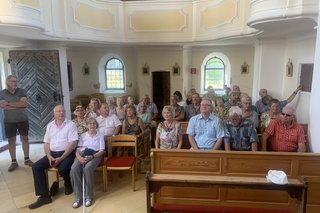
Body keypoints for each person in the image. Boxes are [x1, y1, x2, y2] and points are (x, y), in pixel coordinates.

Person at [29, 105, 78, 209]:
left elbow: (72, 143)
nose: (61, 113)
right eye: (58, 111)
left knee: (63, 168)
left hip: (67, 153)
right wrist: (49, 156)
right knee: (36, 167)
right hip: (52, 154)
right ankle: (44, 196)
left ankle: (68, 183)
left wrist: (61, 158)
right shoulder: (50, 125)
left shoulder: (71, 125)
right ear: (54, 114)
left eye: (63, 111)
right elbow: (46, 143)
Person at [0, 75, 33, 172]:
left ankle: (27, 159)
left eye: (16, 81)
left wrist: (9, 104)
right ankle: (13, 161)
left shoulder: (22, 91)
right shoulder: (2, 93)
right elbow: (3, 106)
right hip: (9, 121)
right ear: (7, 82)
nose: (15, 83)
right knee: (11, 141)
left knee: (25, 139)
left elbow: (24, 104)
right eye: (13, 81)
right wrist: (18, 104)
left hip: (23, 119)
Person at [70, 117, 105, 208]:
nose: (92, 125)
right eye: (90, 123)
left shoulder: (100, 135)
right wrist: (79, 158)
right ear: (87, 125)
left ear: (96, 125)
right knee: (74, 169)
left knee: (87, 168)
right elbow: (77, 150)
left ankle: (88, 196)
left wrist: (92, 156)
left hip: (95, 155)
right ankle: (79, 197)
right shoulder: (83, 135)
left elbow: (101, 151)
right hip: (82, 154)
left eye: (93, 123)